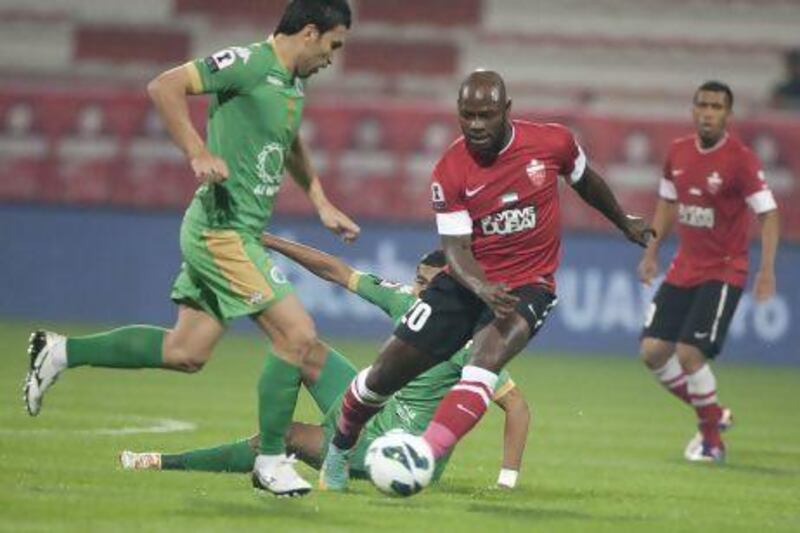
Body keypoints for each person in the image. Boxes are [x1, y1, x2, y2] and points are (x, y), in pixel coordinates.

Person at [22, 0, 359, 497]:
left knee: (187, 350)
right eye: (333, 45)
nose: (333, 58)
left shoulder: (293, 84)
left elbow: (290, 142)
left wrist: (320, 201)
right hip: (220, 231)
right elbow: (164, 86)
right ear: (309, 32)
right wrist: (197, 151)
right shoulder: (247, 64)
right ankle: (269, 460)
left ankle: (59, 351)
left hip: (235, 231)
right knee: (297, 334)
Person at [319, 70, 654, 490]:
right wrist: (481, 287)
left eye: (486, 114)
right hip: (464, 283)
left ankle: (422, 454)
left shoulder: (553, 143)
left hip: (529, 284)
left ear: (506, 111)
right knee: (380, 378)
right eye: (467, 115)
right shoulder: (451, 170)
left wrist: (622, 220)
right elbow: (456, 251)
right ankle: (339, 449)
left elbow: (586, 181)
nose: (476, 124)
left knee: (483, 366)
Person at [119, 234, 531, 489]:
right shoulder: (407, 303)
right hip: (371, 407)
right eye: (417, 278)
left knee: (286, 438)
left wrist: (506, 481)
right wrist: (268, 241)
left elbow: (516, 406)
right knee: (303, 347)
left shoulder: (468, 337)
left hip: (393, 446)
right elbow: (336, 271)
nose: (413, 286)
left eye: (424, 282)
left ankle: (167, 462)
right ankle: (277, 461)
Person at [638, 81, 780, 463]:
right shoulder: (678, 152)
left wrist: (766, 271)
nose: (708, 112)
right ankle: (714, 413)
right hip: (684, 266)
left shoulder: (741, 159)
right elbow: (667, 205)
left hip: (724, 269)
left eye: (716, 107)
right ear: (693, 109)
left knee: (688, 353)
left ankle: (711, 441)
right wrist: (651, 251)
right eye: (702, 104)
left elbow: (768, 214)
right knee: (652, 352)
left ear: (727, 115)